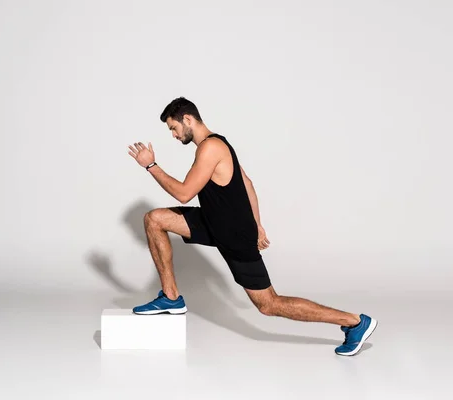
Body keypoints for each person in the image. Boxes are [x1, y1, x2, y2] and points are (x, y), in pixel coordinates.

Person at [126, 97, 377, 356]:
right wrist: (258, 225)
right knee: (154, 219)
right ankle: (171, 296)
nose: (174, 135)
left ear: (187, 119)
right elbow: (247, 183)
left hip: (233, 233)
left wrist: (150, 165)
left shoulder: (210, 148)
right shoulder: (218, 143)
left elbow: (184, 194)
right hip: (214, 221)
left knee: (269, 304)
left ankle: (355, 322)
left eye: (173, 128)